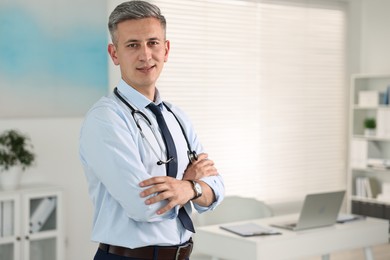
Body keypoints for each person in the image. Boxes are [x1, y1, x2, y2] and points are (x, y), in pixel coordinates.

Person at [79, 1, 225, 259]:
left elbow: (217, 186)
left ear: (166, 49)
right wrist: (193, 184)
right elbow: (143, 205)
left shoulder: (176, 116)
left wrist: (189, 188)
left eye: (153, 43)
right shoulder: (106, 119)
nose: (145, 55)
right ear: (114, 54)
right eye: (133, 45)